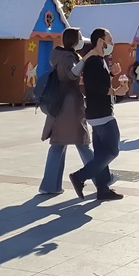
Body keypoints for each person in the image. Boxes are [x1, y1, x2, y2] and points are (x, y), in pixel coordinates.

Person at [68, 28, 127, 201]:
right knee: (112, 151)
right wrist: (115, 91)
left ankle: (103, 189)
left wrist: (111, 74)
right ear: (100, 41)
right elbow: (94, 86)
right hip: (102, 113)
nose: (111, 43)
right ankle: (80, 176)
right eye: (109, 39)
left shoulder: (99, 61)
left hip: (97, 113)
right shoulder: (94, 61)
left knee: (102, 153)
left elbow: (97, 81)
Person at [39, 28, 97, 195]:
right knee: (82, 143)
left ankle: (49, 185)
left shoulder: (59, 55)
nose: (81, 40)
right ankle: (102, 179)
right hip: (69, 106)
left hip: (60, 105)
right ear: (73, 40)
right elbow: (71, 75)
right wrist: (84, 60)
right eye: (79, 38)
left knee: (58, 144)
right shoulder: (68, 57)